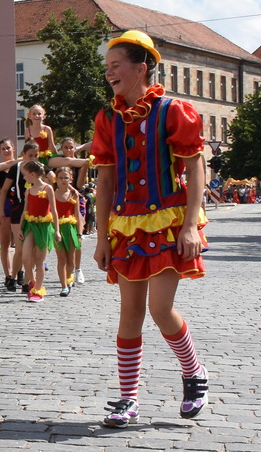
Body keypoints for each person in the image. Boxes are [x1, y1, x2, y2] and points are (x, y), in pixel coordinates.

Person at [89, 30, 210, 428]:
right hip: (126, 224)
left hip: (168, 220)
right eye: (107, 67)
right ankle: (128, 400)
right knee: (129, 313)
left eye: (116, 66)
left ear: (140, 68)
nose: (109, 73)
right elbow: (104, 183)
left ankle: (194, 373)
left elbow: (195, 169)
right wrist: (102, 237)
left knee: (160, 308)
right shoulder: (107, 119)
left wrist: (191, 226)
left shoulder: (173, 110)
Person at [18, 161, 56, 302]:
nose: (24, 178)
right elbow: (25, 210)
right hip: (30, 225)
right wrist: (21, 227)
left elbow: (54, 211)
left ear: (33, 174)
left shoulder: (48, 189)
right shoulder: (28, 191)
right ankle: (32, 282)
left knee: (40, 260)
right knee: (26, 258)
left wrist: (56, 230)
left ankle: (38, 290)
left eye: (25, 175)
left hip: (44, 226)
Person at [0, 138, 21, 290]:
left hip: (19, 205)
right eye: (3, 149)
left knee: (20, 242)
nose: (6, 151)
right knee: (5, 243)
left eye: (8, 148)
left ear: (13, 148)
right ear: (0, 151)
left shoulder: (20, 165)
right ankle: (8, 275)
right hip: (4, 206)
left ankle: (19, 272)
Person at [53, 166, 83, 296]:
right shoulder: (52, 194)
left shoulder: (73, 195)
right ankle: (63, 286)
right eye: (60, 178)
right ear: (56, 179)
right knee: (61, 258)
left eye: (66, 178)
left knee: (71, 259)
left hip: (70, 228)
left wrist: (79, 233)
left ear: (71, 179)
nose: (63, 180)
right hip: (57, 228)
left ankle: (69, 278)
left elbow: (77, 215)